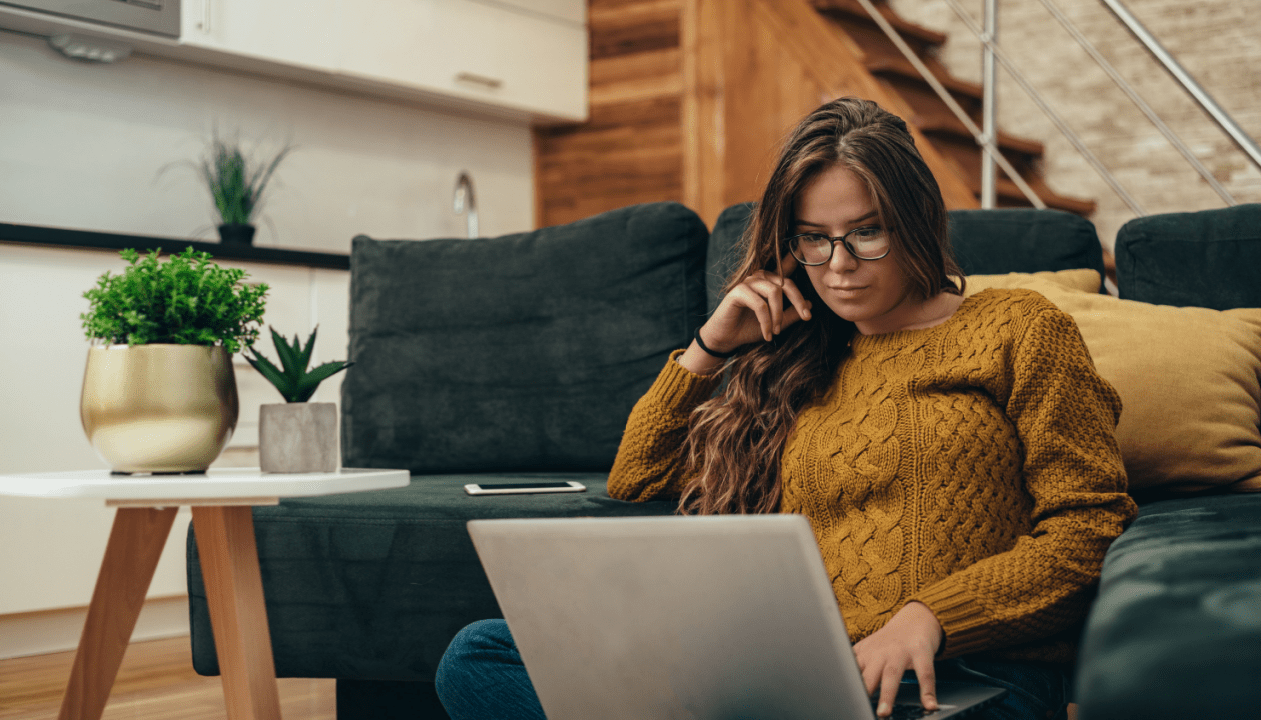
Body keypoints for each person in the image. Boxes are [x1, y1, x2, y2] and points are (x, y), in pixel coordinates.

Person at [434, 97, 1138, 720]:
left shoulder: (1018, 327)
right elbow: (634, 477)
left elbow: (1090, 525)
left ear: (918, 218)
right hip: (798, 673)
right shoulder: (793, 359)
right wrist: (709, 348)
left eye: (867, 231)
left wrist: (930, 618)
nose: (837, 265)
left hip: (959, 672)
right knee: (480, 655)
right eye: (813, 239)